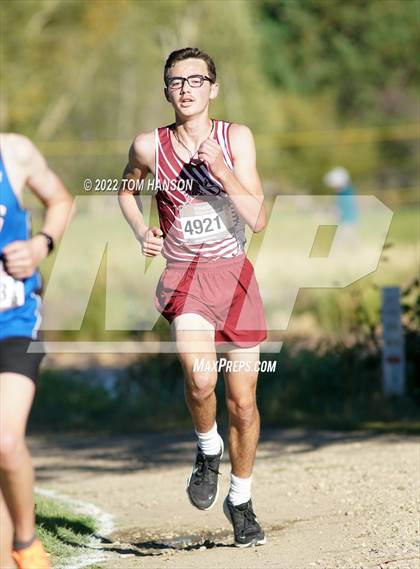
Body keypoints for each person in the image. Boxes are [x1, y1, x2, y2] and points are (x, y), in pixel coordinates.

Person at [119, 47, 267, 548]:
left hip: (235, 278)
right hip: (185, 276)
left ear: (213, 88)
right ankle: (207, 448)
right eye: (175, 81)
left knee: (243, 403)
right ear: (166, 91)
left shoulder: (236, 138)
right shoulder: (149, 145)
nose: (186, 88)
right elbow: (125, 190)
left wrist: (223, 171)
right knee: (201, 378)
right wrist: (143, 229)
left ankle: (241, 500)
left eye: (195, 80)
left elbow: (259, 218)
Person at [0, 133, 73, 568]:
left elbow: (62, 201)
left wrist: (40, 245)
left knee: (5, 441)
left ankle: (27, 542)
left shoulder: (14, 152)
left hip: (14, 324)